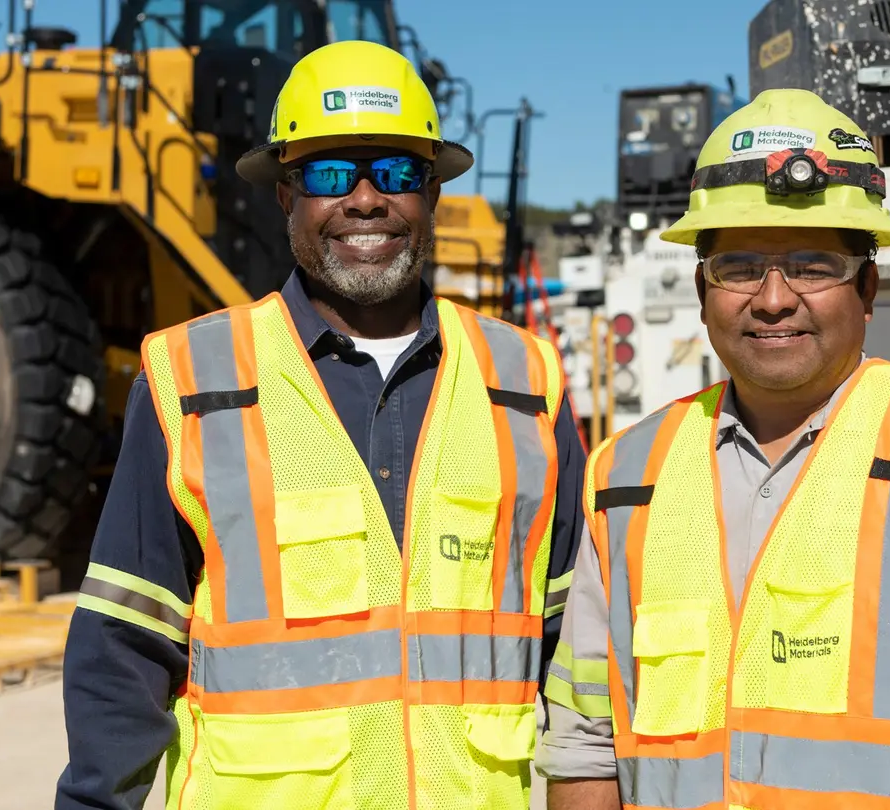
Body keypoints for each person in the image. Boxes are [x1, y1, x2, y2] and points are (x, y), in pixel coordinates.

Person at [54, 40, 586, 810]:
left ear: (431, 192)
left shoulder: (525, 385)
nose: (365, 200)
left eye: (397, 173)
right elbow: (119, 653)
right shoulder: (196, 379)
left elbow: (579, 664)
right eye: (330, 174)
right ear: (285, 195)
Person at [535, 87, 890, 810]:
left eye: (814, 266)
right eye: (741, 266)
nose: (775, 298)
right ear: (701, 288)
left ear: (868, 286)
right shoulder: (626, 476)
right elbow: (586, 746)